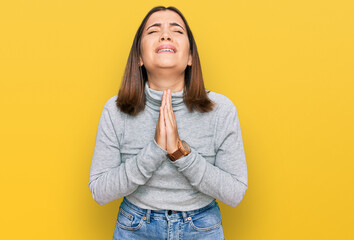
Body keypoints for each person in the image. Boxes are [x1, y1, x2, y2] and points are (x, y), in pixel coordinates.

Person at [88, 5, 248, 240]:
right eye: (153, 31)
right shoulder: (115, 110)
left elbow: (235, 193)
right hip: (135, 227)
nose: (165, 35)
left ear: (191, 56)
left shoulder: (221, 110)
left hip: (202, 228)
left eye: (177, 30)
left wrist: (180, 153)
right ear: (140, 57)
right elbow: (100, 191)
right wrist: (155, 151)